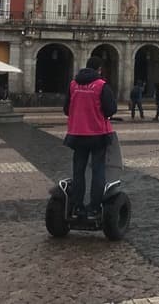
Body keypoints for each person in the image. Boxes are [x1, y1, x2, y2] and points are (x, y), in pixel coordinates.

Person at [63, 56, 117, 219]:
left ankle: (78, 206)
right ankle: (94, 207)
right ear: (99, 69)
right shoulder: (101, 86)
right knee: (98, 170)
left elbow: (66, 109)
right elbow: (110, 110)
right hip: (97, 135)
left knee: (78, 171)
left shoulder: (73, 84)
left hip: (77, 134)